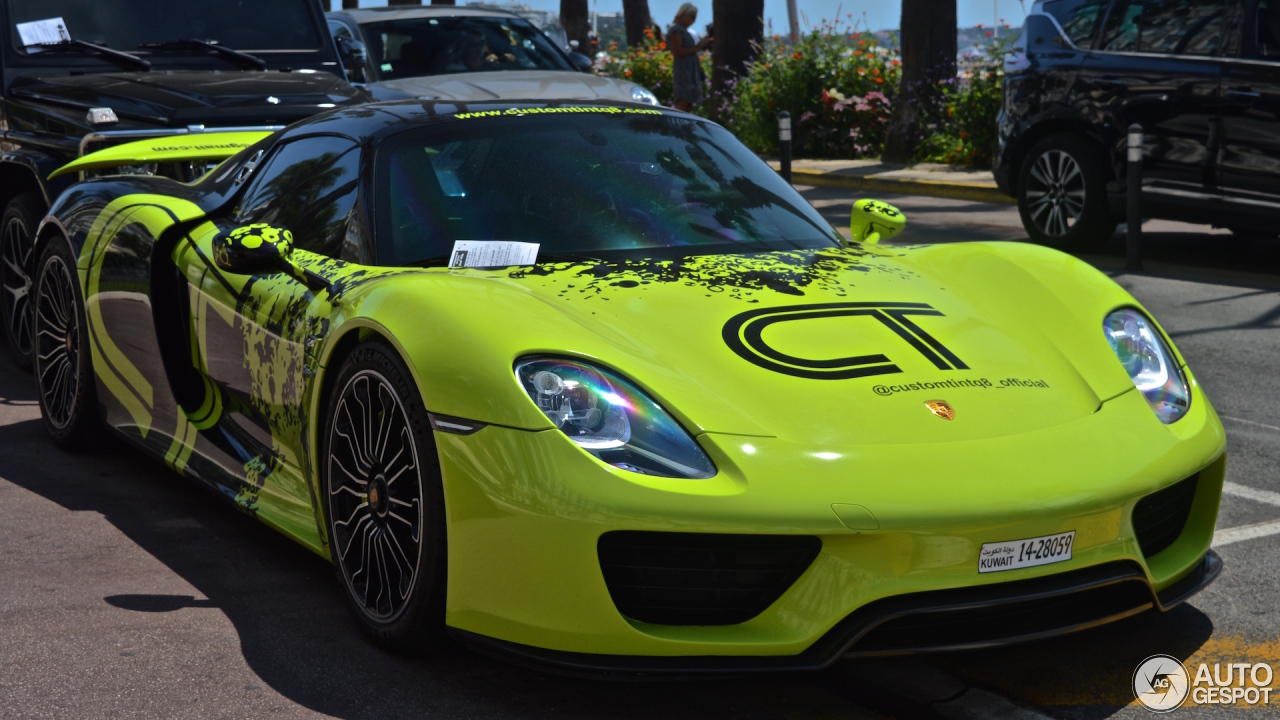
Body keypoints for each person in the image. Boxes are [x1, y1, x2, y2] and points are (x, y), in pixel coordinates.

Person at [667, 3, 712, 112]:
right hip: (684, 72)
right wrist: (696, 49)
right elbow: (677, 51)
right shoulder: (676, 30)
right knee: (683, 102)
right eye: (692, 17)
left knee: (688, 103)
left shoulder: (684, 31)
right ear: (683, 14)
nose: (693, 21)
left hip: (690, 71)